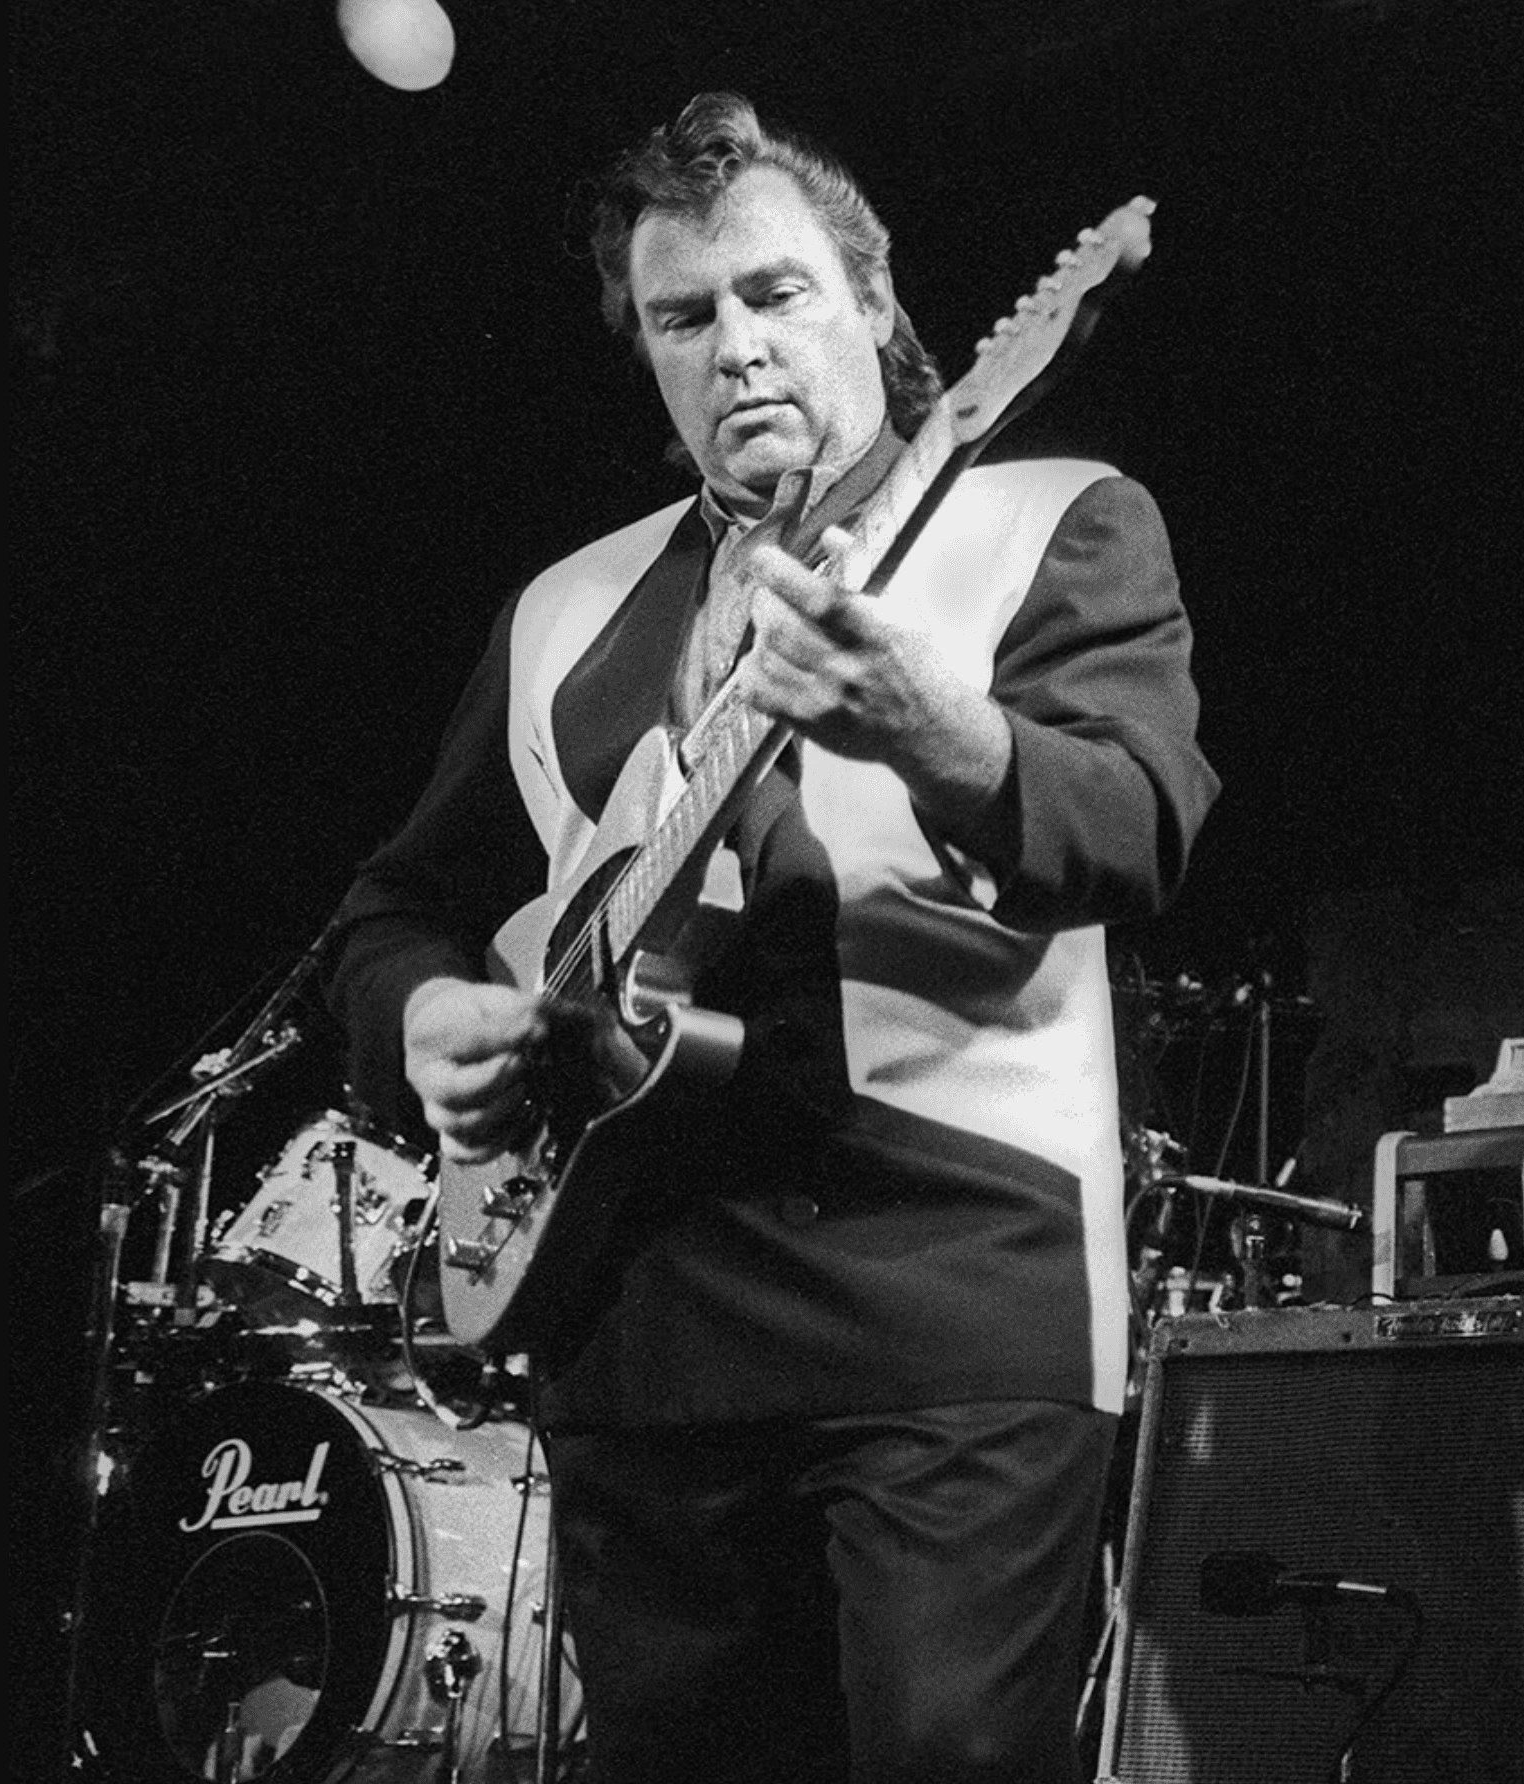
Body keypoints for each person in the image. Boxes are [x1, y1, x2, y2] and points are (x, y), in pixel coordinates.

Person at [324, 89, 1218, 1783]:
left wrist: (935, 730)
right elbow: (397, 908)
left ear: (873, 307)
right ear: (648, 358)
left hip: (956, 1279)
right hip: (636, 1300)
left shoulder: (1045, 515)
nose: (734, 345)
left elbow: (1137, 825)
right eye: (684, 317)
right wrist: (426, 1011)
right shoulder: (568, 607)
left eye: (774, 294)